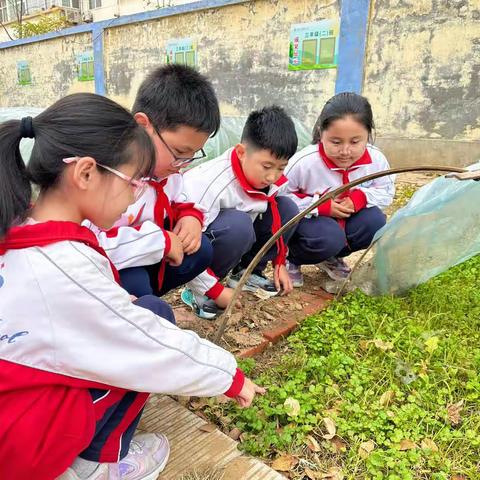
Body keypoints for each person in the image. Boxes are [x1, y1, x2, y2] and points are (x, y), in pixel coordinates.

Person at [0, 93, 264, 480]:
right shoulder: (62, 265)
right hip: (21, 448)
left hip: (12, 407)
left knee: (138, 312)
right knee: (144, 327)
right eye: (132, 181)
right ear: (86, 173)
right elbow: (146, 344)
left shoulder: (21, 226)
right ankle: (93, 467)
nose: (137, 193)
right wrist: (229, 376)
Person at [87, 64, 223, 303]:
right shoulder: (109, 176)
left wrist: (189, 217)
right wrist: (159, 241)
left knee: (202, 249)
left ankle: (153, 300)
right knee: (134, 281)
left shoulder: (169, 171)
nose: (183, 163)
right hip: (112, 263)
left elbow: (179, 199)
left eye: (193, 154)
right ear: (143, 126)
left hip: (153, 252)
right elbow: (90, 246)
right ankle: (141, 308)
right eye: (180, 151)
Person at [181, 106, 299, 319]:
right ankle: (198, 291)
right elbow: (188, 248)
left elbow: (274, 212)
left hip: (238, 234)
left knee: (287, 208)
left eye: (281, 168)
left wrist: (280, 261)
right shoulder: (208, 183)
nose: (273, 176)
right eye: (267, 166)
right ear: (241, 153)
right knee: (239, 225)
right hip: (204, 245)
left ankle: (247, 273)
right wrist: (215, 291)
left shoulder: (267, 178)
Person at [284, 92, 395, 288]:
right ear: (321, 133)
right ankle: (292, 258)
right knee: (328, 237)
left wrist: (360, 198)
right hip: (312, 225)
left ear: (368, 134)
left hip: (344, 222)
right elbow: (281, 199)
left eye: (355, 142)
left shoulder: (376, 160)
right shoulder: (304, 163)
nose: (345, 151)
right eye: (336, 142)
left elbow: (386, 191)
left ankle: (331, 258)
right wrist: (319, 206)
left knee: (375, 222)